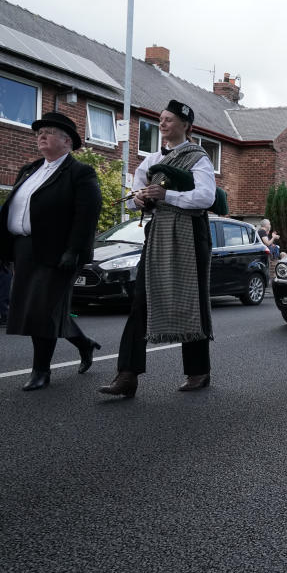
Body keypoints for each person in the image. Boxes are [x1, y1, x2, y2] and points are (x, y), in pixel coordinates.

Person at [99, 100, 216, 398]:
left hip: (191, 231)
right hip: (159, 231)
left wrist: (167, 194)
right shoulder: (150, 160)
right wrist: (139, 199)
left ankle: (198, 370)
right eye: (161, 119)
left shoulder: (198, 158)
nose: (162, 124)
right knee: (141, 299)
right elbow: (137, 189)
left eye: (169, 119)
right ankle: (127, 375)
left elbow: (206, 197)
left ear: (186, 125)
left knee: (193, 298)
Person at [0, 112, 102, 391]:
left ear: (67, 141)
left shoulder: (79, 172)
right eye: (39, 132)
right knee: (41, 307)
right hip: (24, 248)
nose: (41, 136)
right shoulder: (29, 170)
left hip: (58, 253)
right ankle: (85, 344)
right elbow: (14, 209)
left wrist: (75, 250)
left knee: (42, 310)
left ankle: (41, 371)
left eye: (49, 132)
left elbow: (87, 215)